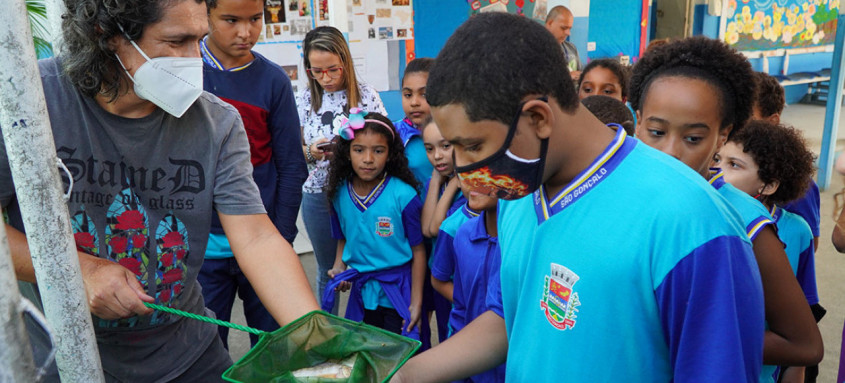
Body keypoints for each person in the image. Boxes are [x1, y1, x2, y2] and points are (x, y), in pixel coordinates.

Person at [393, 13, 765, 381]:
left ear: (538, 118)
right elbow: (513, 317)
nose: (461, 166)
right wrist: (405, 374)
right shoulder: (519, 190)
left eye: (472, 146)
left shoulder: (692, 222)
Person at [0, 0, 319, 380]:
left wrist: (316, 339)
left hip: (189, 356)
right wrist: (80, 270)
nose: (192, 60)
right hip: (64, 356)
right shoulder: (28, 104)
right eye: (175, 41)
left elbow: (256, 239)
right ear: (108, 35)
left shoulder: (217, 122)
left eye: (198, 40)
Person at [628, 36, 823, 377]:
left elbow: (805, 344)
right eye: (656, 131)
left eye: (692, 138)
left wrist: (700, 338)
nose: (670, 152)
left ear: (723, 135)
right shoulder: (617, 201)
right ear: (638, 121)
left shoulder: (743, 219)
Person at [197, 0, 308, 348]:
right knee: (205, 348)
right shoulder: (181, 72)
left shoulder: (273, 80)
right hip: (199, 250)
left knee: (273, 346)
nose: (245, 32)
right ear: (206, 15)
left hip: (263, 243)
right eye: (231, 20)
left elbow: (291, 165)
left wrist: (282, 235)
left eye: (255, 19)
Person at [714, 120, 820, 383]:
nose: (718, 170)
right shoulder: (707, 216)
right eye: (718, 159)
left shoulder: (797, 231)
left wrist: (796, 370)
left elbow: (805, 310)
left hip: (760, 372)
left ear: (769, 185)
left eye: (734, 165)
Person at [297, 26, 386, 311]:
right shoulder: (304, 101)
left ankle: (373, 326)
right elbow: (291, 153)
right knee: (328, 270)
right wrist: (310, 152)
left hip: (360, 194)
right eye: (317, 71)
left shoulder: (366, 96)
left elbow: (386, 143)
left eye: (333, 69)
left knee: (371, 264)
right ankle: (329, 336)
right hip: (318, 195)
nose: (327, 78)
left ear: (345, 62)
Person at [321, 110, 425, 339]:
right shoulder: (338, 194)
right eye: (359, 150)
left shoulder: (404, 196)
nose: (368, 159)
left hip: (398, 294)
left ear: (390, 154)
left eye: (378, 151)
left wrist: (417, 301)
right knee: (366, 354)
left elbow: (418, 251)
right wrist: (339, 267)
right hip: (362, 292)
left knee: (397, 358)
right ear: (347, 153)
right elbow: (343, 237)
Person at [432, 179, 505, 382]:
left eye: (487, 170)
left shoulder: (526, 241)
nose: (475, 178)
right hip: (468, 362)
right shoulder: (462, 234)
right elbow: (460, 307)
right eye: (467, 168)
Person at [749, 71, 822, 252]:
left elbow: (808, 244)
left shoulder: (795, 181)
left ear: (772, 121)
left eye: (746, 117)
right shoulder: (719, 165)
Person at [429, 179, 480, 303]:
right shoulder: (452, 227)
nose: (477, 181)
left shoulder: (510, 220)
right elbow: (439, 279)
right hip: (465, 317)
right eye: (468, 173)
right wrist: (468, 305)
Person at [394, 58, 436, 187]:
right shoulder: (393, 134)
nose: (414, 102)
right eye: (408, 95)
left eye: (424, 94)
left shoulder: (453, 131)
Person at [544, 5, 581, 80]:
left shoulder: (571, 48)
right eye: (564, 28)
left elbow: (580, 73)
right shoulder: (535, 48)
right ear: (550, 23)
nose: (568, 33)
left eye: (569, 28)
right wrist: (566, 77)